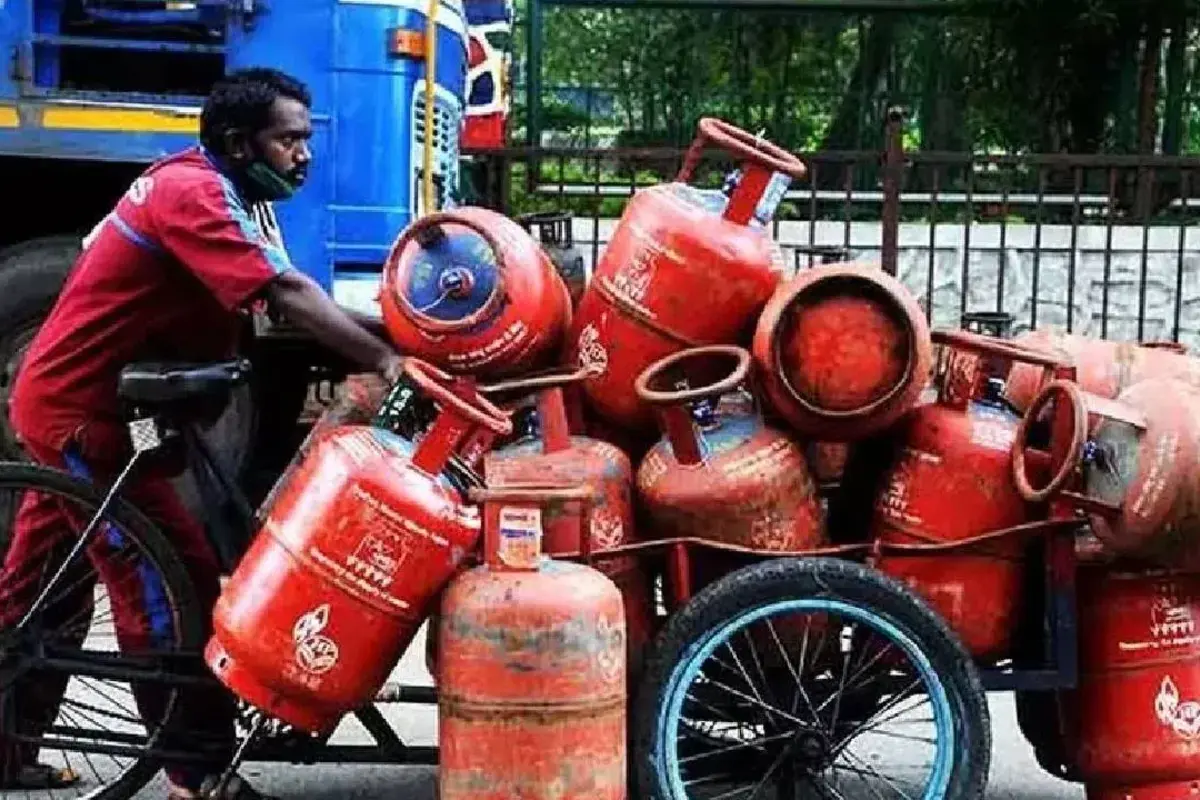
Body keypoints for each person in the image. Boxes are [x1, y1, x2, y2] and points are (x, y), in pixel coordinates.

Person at [0, 67, 405, 799]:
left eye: (305, 141)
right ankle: (196, 773)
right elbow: (284, 295)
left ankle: (4, 751)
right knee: (166, 581)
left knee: (37, 593)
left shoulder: (229, 195)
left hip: (84, 409)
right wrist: (384, 358)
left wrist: (406, 334)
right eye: (288, 141)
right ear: (236, 142)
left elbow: (289, 301)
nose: (303, 156)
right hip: (76, 417)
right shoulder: (194, 193)